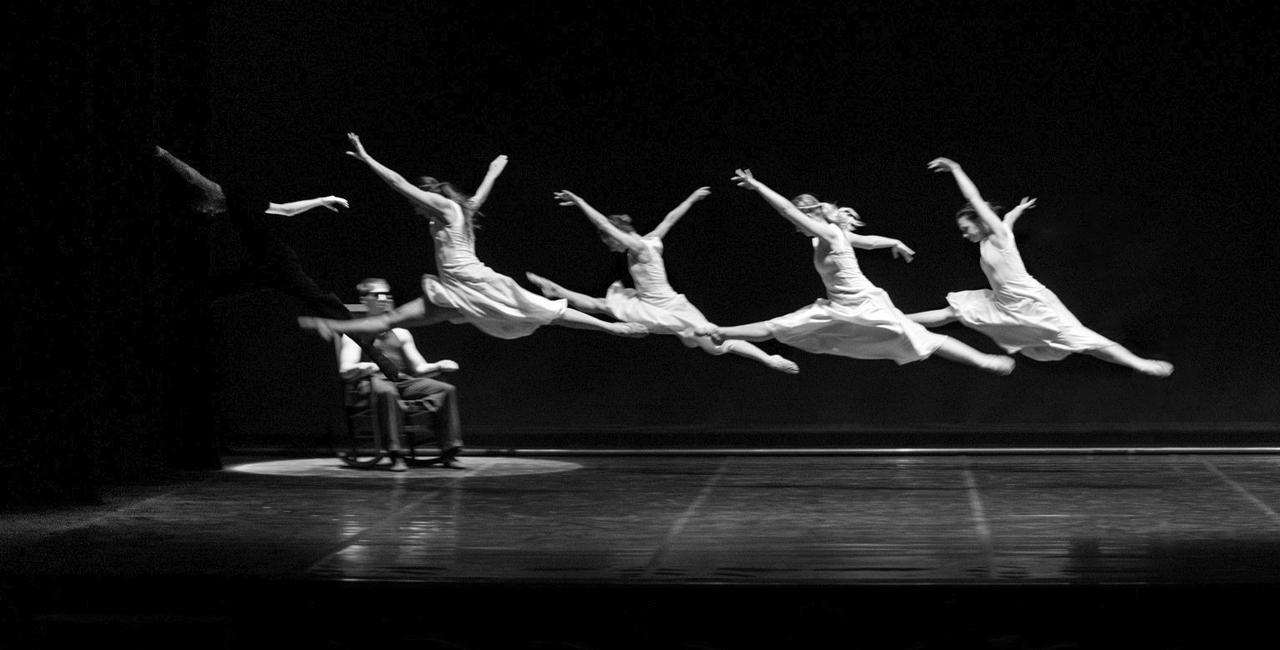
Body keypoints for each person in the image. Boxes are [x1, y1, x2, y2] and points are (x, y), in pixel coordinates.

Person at [298, 134, 648, 341]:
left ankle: (612, 329)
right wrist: (494, 171)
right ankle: (331, 325)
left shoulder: (445, 208)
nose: (416, 208)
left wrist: (366, 158)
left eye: (418, 204)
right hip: (452, 289)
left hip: (476, 281)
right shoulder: (460, 211)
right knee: (395, 319)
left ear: (430, 197)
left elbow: (399, 184)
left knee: (545, 310)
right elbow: (479, 197)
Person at [695, 169, 1016, 374]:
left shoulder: (828, 233)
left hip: (865, 302)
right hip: (837, 307)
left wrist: (757, 186)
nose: (795, 229)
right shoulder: (834, 234)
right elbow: (870, 241)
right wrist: (895, 242)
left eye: (798, 224)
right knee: (780, 326)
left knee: (922, 339)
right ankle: (722, 332)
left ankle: (984, 361)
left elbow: (787, 210)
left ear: (807, 217)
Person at [151, 145, 404, 382]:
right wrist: (322, 199)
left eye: (208, 210)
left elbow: (190, 176)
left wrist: (161, 154)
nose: (210, 213)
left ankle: (374, 353)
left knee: (323, 302)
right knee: (212, 289)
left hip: (278, 262)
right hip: (261, 266)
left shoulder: (225, 196)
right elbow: (285, 210)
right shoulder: (238, 201)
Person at [907, 157, 1173, 376]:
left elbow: (975, 198)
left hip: (1031, 301)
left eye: (966, 229)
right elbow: (1008, 219)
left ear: (980, 221)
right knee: (952, 313)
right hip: (1002, 303)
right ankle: (897, 319)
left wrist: (956, 169)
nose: (964, 235)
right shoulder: (992, 237)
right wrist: (1018, 211)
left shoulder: (999, 236)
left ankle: (1141, 364)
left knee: (1083, 340)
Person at [526, 187, 799, 373]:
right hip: (646, 302)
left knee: (714, 339)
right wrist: (691, 199)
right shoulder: (651, 240)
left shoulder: (639, 248)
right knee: (602, 304)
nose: (610, 247)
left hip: (667, 307)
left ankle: (770, 359)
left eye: (609, 242)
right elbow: (670, 219)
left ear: (617, 236)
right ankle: (557, 290)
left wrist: (580, 201)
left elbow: (605, 225)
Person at [339, 278, 463, 471]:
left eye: (386, 294)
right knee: (386, 391)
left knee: (445, 389)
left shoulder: (402, 333)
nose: (383, 298)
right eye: (376, 294)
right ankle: (396, 454)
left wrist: (439, 365)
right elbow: (345, 370)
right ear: (364, 300)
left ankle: (449, 450)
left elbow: (420, 368)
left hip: (401, 381)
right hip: (372, 381)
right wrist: (366, 366)